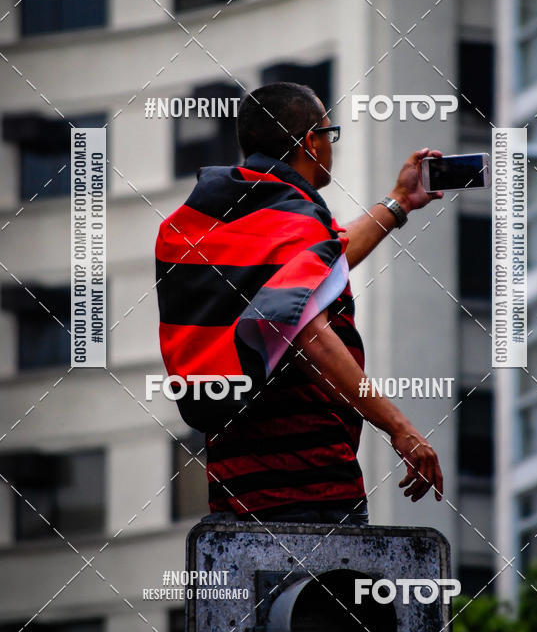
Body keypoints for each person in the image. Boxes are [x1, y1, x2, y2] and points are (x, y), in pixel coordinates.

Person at [155, 82, 444, 526]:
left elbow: (321, 261)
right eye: (331, 133)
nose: (331, 146)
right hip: (310, 484)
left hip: (233, 487)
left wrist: (400, 201)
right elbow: (308, 331)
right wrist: (400, 428)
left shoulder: (216, 223)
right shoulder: (294, 219)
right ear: (311, 142)